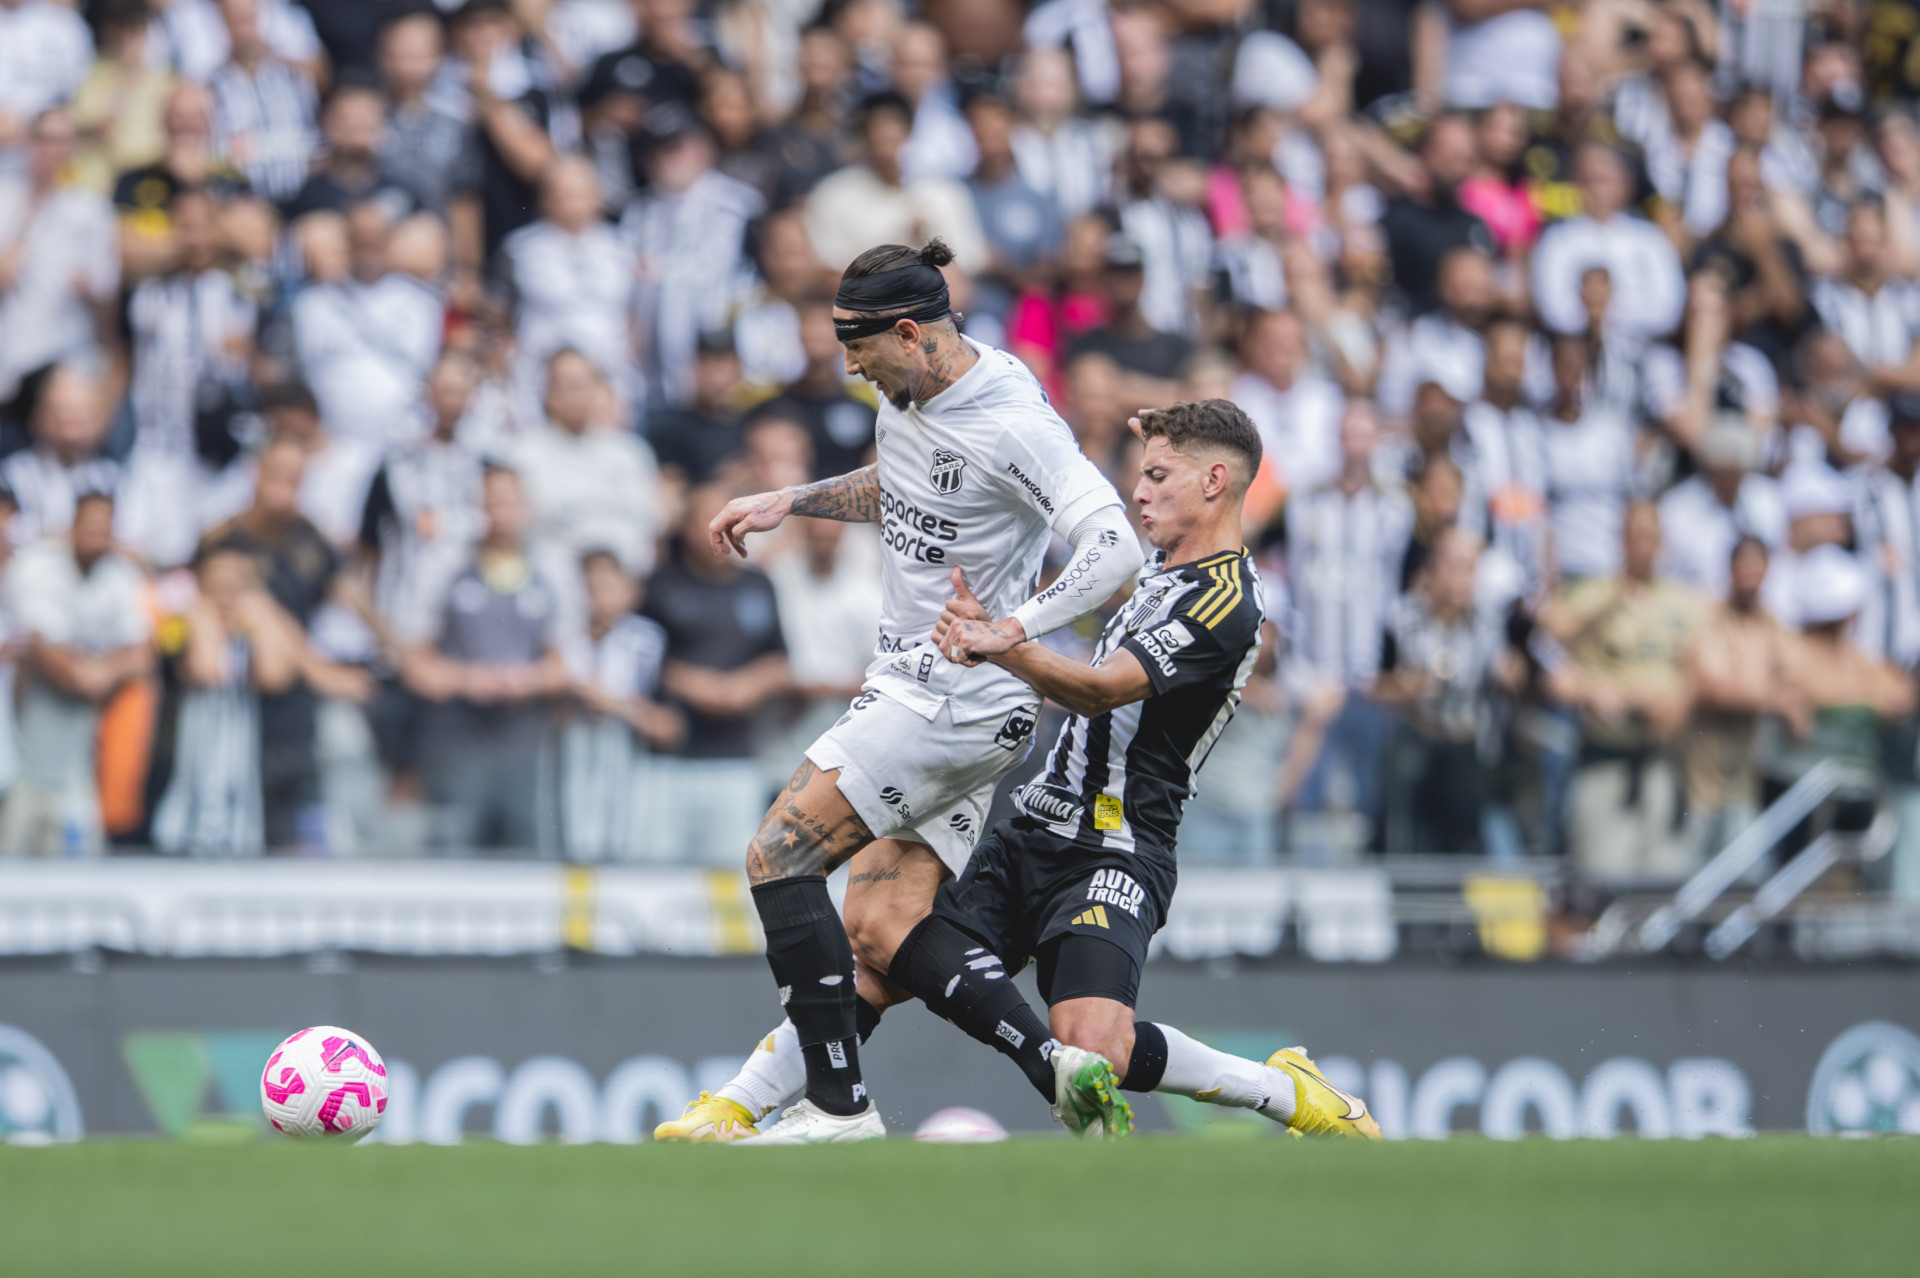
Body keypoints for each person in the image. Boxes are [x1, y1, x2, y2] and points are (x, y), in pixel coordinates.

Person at [667, 238, 1140, 1143]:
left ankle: (839, 1108)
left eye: (861, 349)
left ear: (915, 332)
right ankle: (1054, 1070)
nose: (850, 366)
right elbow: (909, 485)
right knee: (881, 926)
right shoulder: (914, 392)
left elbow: (1113, 544)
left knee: (779, 856)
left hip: (949, 693)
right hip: (938, 693)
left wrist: (1016, 627)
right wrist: (791, 500)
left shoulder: (1013, 420)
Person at [400, 463, 572, 854]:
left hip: (526, 734)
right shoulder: (443, 563)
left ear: (528, 506)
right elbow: (415, 664)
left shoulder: (553, 567)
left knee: (529, 843)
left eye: (510, 501)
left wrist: (525, 680)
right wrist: (470, 680)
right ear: (475, 508)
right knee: (453, 842)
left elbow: (568, 662)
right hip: (458, 733)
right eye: (492, 501)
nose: (502, 512)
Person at [0, 491, 152, 857]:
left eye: (105, 528)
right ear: (72, 527)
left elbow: (143, 655)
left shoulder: (120, 574)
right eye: (90, 526)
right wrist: (95, 670)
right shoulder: (36, 567)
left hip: (78, 767)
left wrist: (97, 671)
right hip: (23, 762)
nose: (96, 536)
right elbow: (49, 656)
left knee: (81, 876)